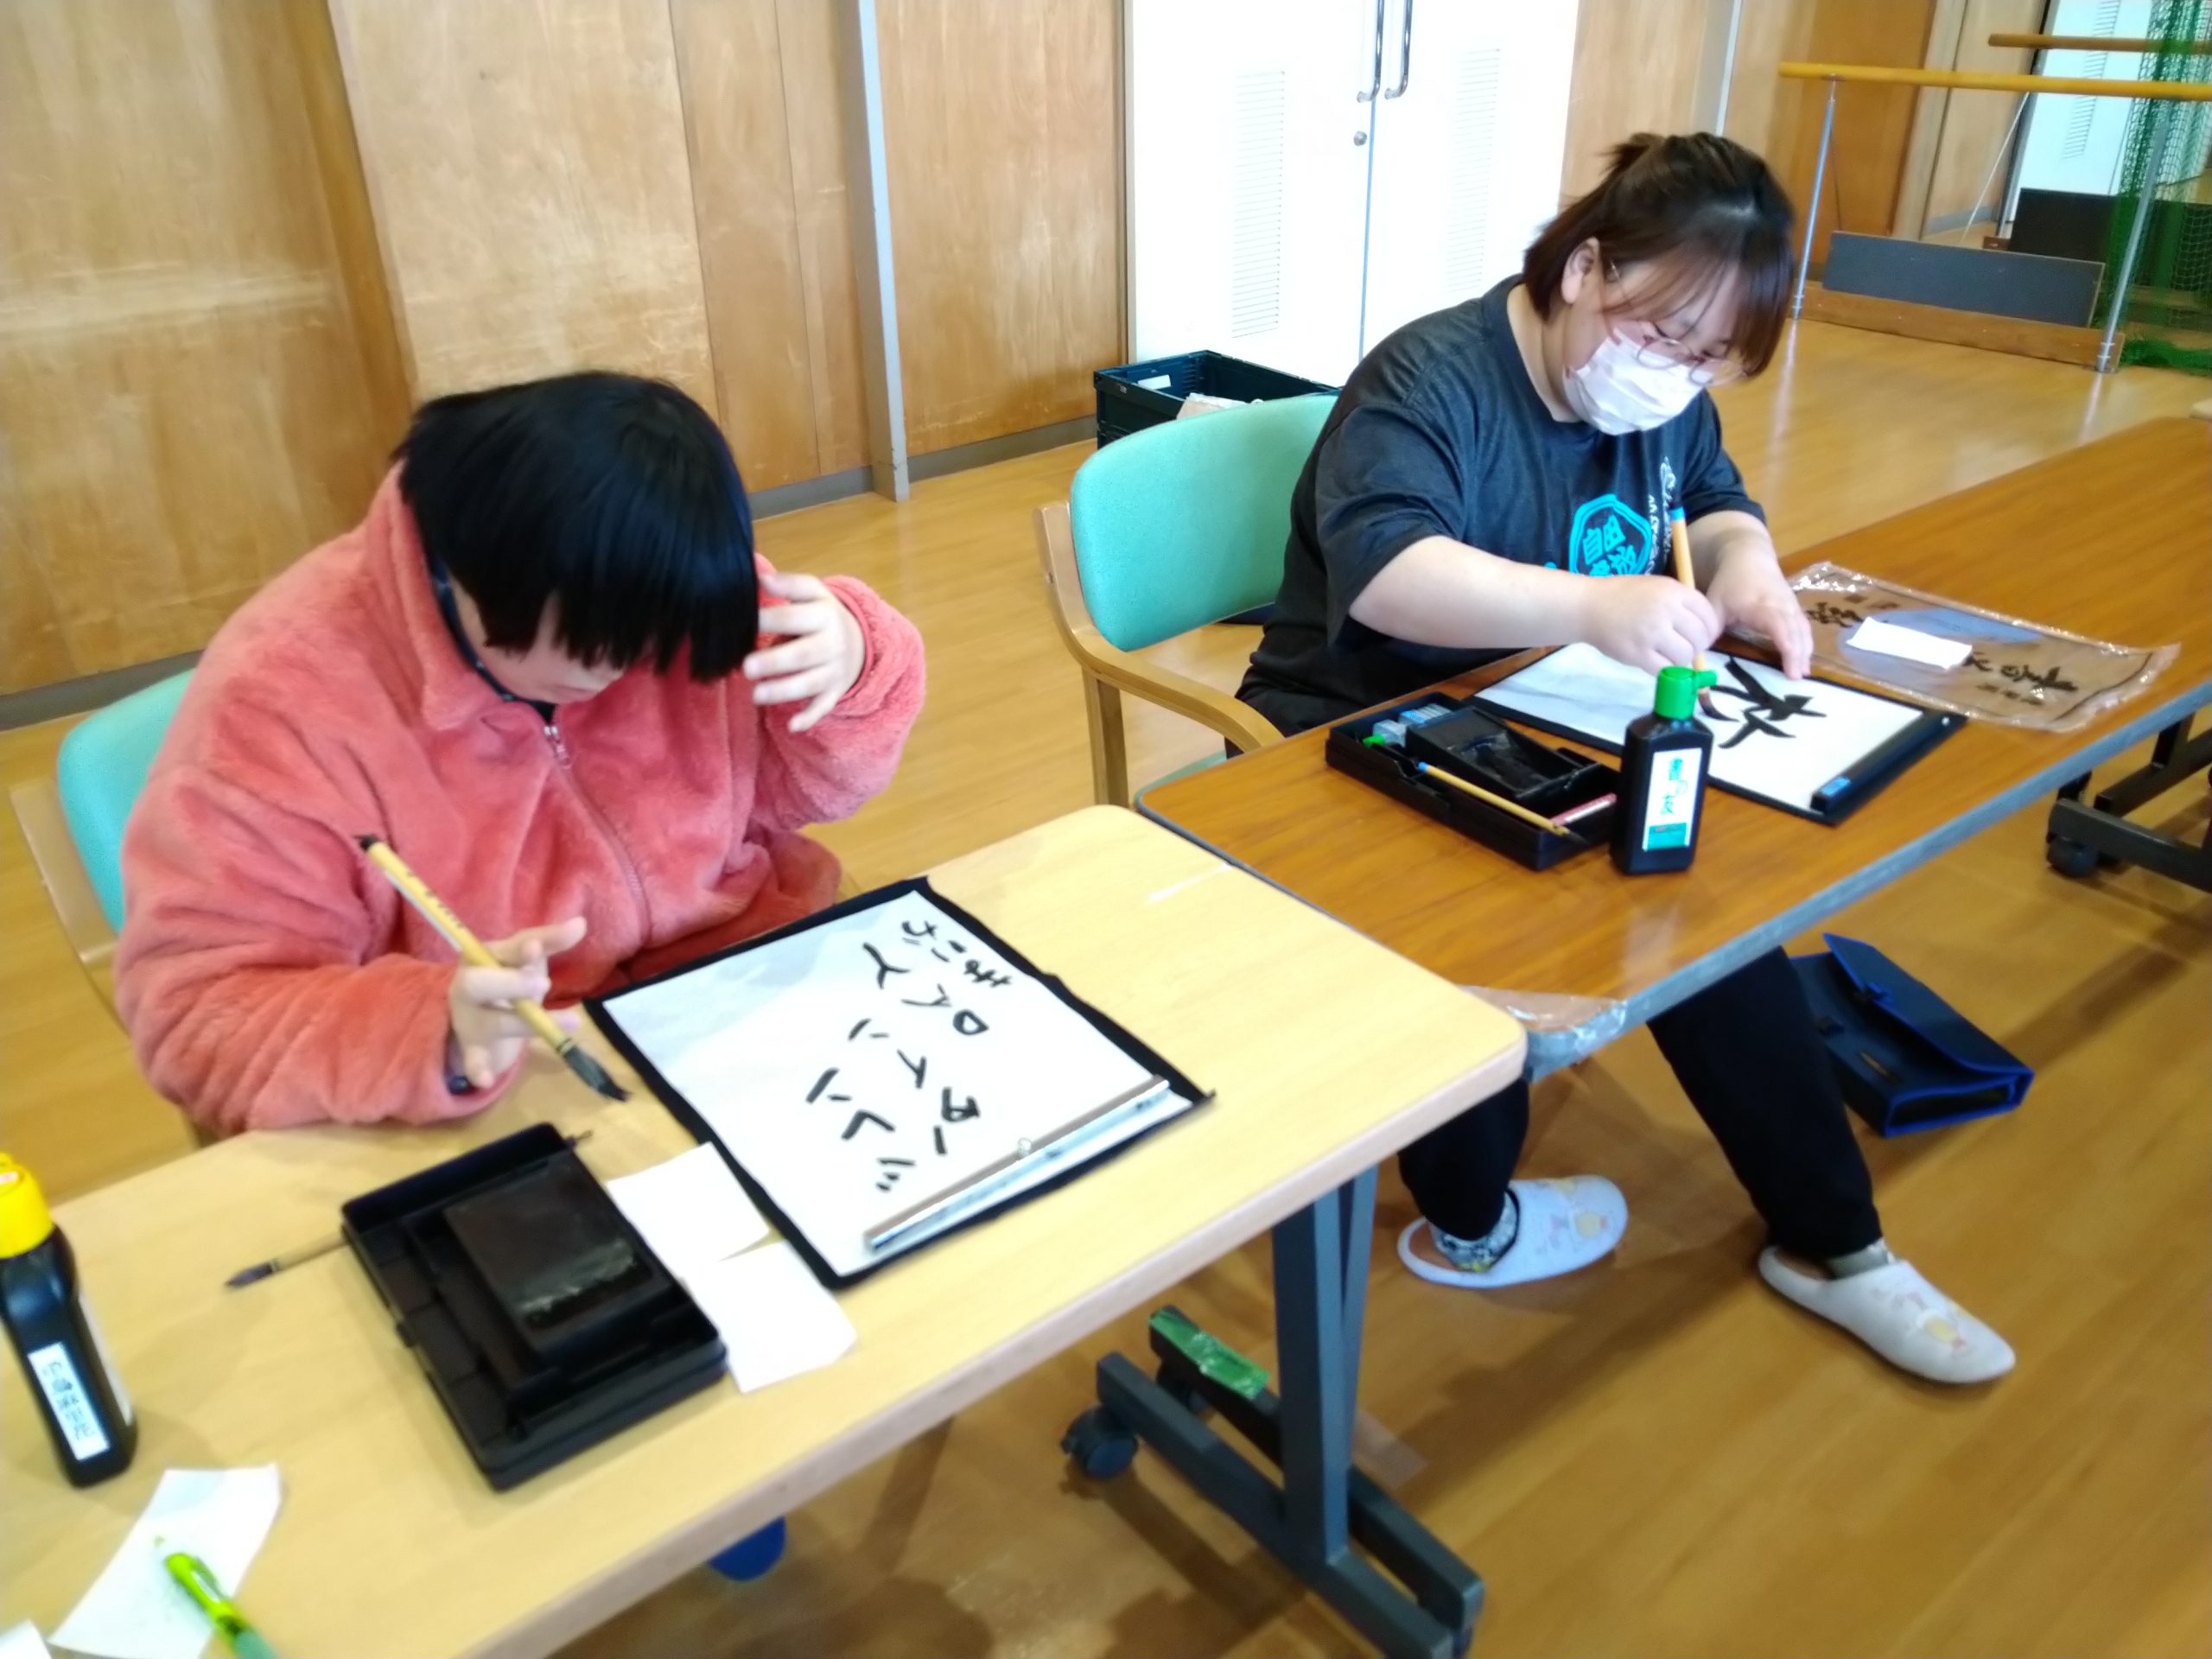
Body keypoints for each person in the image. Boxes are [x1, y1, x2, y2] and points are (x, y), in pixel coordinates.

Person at [1237, 133, 2011, 1385]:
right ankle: (1473, 1223)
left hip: (1547, 703)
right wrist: (1593, 608)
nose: (1679, 375)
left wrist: (1750, 566)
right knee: (1504, 950)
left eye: (1711, 359)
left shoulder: (1656, 385)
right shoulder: (1431, 378)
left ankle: (1838, 1246)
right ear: (1584, 268)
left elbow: (1711, 493)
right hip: (1362, 718)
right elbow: (1385, 577)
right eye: (1664, 338)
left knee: (1704, 915)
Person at [117, 372, 925, 1135]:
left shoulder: (648, 584)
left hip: (741, 991)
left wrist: (857, 663)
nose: (639, 673)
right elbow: (200, 1011)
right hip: (515, 1075)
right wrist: (428, 1029)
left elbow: (799, 795)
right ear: (474, 581)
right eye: (607, 650)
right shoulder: (278, 706)